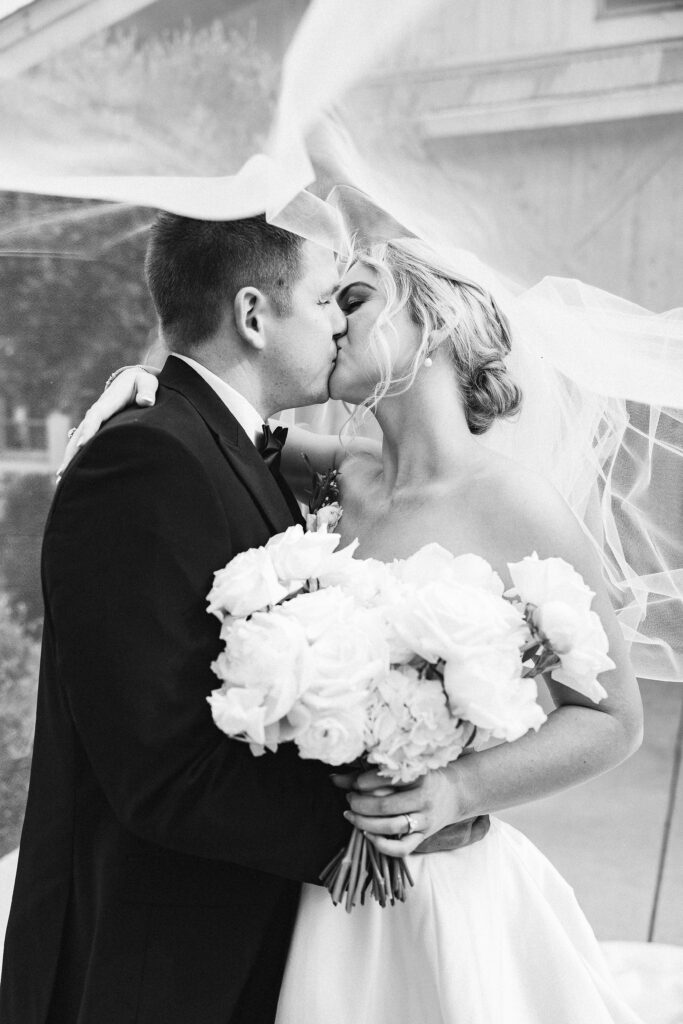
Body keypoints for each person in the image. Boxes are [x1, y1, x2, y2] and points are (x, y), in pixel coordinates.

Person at [65, 234, 645, 1022]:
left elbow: (612, 718)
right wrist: (138, 381)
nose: (334, 324)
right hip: (319, 901)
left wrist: (453, 790)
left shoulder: (517, 503)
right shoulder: (339, 471)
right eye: (328, 302)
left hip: (445, 886)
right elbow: (209, 426)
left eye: (353, 299)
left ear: (432, 322)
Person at [0, 216, 484, 1024]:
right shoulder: (144, 459)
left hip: (238, 942)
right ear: (255, 315)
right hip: (148, 965)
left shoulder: (218, 442)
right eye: (327, 299)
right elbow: (157, 775)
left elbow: (386, 472)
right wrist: (372, 828)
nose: (339, 322)